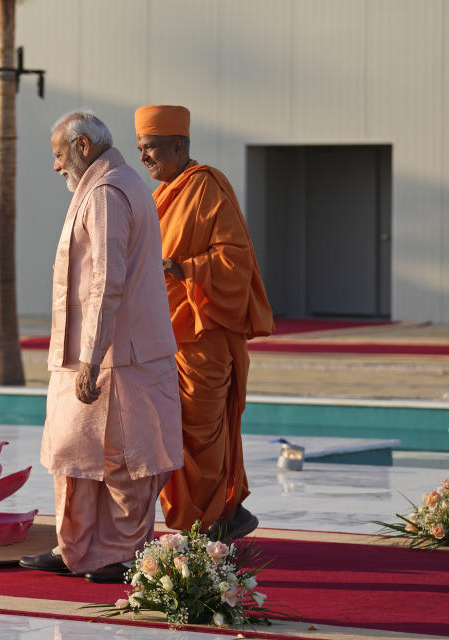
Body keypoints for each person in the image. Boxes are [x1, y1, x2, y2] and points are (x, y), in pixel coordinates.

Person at [19, 111, 183, 584]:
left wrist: (92, 356)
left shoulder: (109, 192)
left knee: (123, 461)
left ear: (84, 146)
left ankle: (122, 555)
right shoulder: (107, 185)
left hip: (115, 356)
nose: (55, 167)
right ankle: (75, 549)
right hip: (97, 354)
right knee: (76, 455)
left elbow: (106, 283)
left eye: (58, 154)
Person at [134, 105, 274, 542]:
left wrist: (185, 269)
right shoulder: (159, 196)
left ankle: (212, 522)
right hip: (165, 337)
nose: (144, 158)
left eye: (152, 148)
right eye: (140, 149)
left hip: (204, 334)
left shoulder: (207, 187)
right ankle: (202, 523)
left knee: (202, 433)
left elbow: (237, 262)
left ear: (179, 145)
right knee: (171, 433)